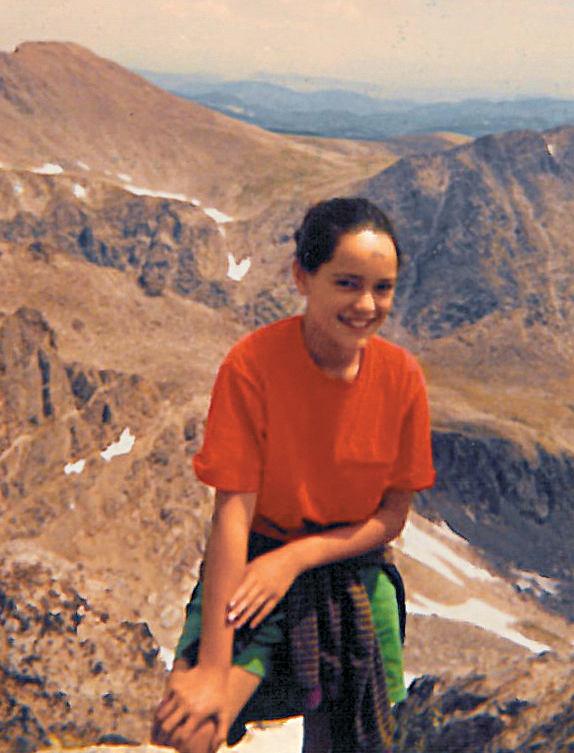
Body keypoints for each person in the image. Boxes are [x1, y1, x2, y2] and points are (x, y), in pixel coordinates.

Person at [151, 197, 435, 753]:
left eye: (383, 287)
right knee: (189, 728)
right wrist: (212, 668)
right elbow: (231, 513)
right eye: (347, 283)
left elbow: (392, 516)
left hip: (350, 569)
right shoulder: (253, 366)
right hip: (252, 560)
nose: (366, 304)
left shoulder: (402, 379)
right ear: (302, 278)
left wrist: (296, 559)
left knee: (348, 739)